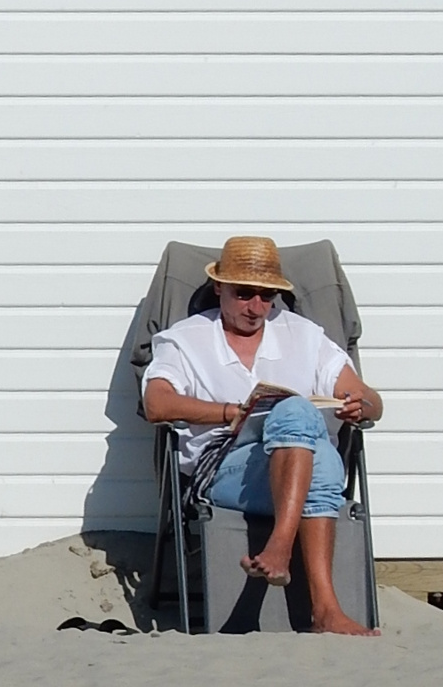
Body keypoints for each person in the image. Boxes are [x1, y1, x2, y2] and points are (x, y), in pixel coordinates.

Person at [142, 235, 383, 636]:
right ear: (219, 287)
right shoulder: (186, 339)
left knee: (315, 449)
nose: (256, 307)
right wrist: (230, 413)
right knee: (300, 421)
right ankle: (304, 579)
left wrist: (365, 406)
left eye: (267, 295)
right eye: (244, 294)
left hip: (299, 465)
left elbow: (370, 397)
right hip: (225, 469)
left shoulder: (302, 335)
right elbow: (157, 404)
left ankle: (310, 590)